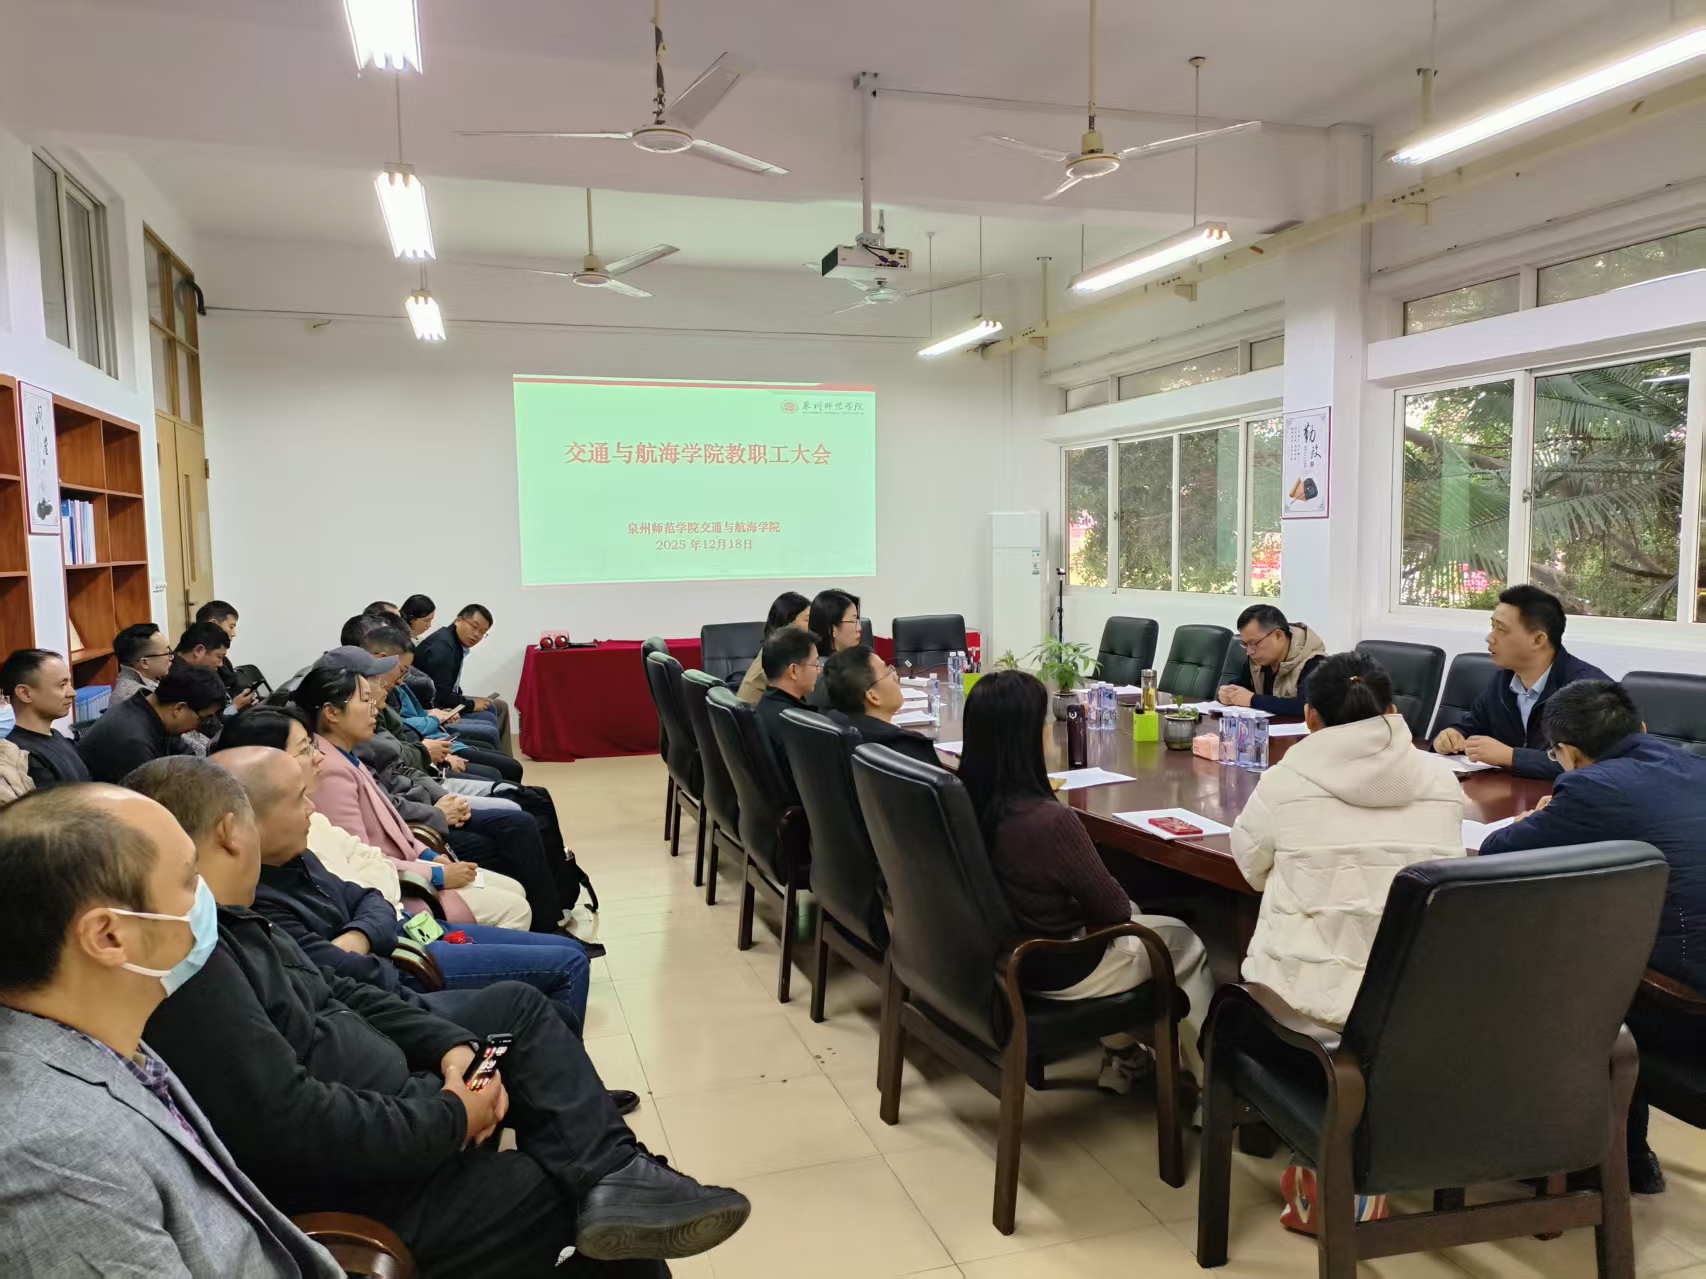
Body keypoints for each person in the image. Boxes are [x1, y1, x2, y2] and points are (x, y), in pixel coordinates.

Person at [134, 764, 751, 1275]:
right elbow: (295, 1123)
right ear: (230, 833)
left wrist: (453, 1047)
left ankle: (612, 1170)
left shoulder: (232, 924)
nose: (312, 808)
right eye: (183, 871)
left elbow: (344, 990)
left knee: (591, 1175)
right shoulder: (193, 971)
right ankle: (608, 1175)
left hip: (407, 1100)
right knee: (574, 1194)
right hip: (374, 1180)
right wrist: (453, 1114)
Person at [0, 783, 342, 1276]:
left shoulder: (102, 1037)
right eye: (188, 879)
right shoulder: (53, 1155)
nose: (205, 895)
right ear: (109, 936)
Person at [148, 747, 594, 1049]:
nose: (311, 806)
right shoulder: (252, 901)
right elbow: (342, 972)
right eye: (303, 750)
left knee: (562, 953)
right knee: (563, 967)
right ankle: (554, 1084)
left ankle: (557, 1075)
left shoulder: (295, 851)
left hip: (402, 937)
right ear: (237, 824)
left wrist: (360, 933)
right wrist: (374, 931)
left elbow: (368, 896)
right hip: (400, 972)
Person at [1479, 680, 1706, 1195]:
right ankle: (1630, 1157)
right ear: (1640, 727)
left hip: (1686, 1007)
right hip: (1690, 972)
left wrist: (1540, 819)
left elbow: (1497, 852)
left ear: (1570, 754)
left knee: (1543, 969)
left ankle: (1585, 1159)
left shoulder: (1592, 787)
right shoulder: (1693, 766)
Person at [957, 669, 1215, 1091]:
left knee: (1132, 916)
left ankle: (1123, 1058)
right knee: (1182, 940)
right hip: (1058, 965)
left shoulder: (962, 798)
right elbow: (1112, 909)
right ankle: (1211, 1088)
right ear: (1029, 737)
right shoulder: (1050, 820)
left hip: (1000, 955)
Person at [1231, 652, 1467, 1029]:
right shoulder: (1442, 780)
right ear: (1392, 711)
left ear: (1310, 717)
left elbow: (1251, 869)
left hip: (1299, 1013)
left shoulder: (1285, 781)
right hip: (1415, 1005)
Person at [289, 665, 534, 931]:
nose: (375, 709)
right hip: (400, 888)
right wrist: (437, 874)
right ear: (332, 712)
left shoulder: (345, 754)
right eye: (365, 700)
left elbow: (392, 824)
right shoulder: (329, 770)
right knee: (516, 908)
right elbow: (359, 861)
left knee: (517, 889)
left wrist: (429, 855)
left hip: (412, 863)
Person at [1432, 584, 1608, 778]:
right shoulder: (1503, 680)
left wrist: (1512, 757)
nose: (1489, 638)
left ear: (1538, 640)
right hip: (1511, 790)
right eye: (1492, 627)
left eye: (1501, 629)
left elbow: (1590, 764)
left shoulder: (1588, 691)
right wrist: (1451, 736)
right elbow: (1471, 725)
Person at [77, 663, 228, 784]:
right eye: (204, 719)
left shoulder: (156, 715)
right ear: (179, 709)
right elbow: (149, 800)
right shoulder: (133, 741)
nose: (202, 725)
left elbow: (188, 762)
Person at [822, 645, 940, 769]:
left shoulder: (834, 729)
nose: (896, 676)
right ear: (873, 697)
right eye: (888, 671)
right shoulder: (907, 749)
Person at [415, 604, 511, 755]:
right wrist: (471, 704)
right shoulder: (442, 648)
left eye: (482, 632)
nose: (476, 635)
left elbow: (449, 686)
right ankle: (498, 759)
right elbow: (441, 697)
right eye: (474, 627)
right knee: (489, 718)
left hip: (442, 702)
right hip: (433, 710)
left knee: (495, 706)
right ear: (458, 620)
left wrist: (470, 702)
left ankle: (502, 758)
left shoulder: (452, 642)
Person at [1216, 604, 1329, 717]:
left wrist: (1253, 699)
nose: (1249, 651)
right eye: (1245, 644)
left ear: (1278, 635)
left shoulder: (1316, 663)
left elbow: (1308, 707)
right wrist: (1228, 694)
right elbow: (1242, 686)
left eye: (1253, 643)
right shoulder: (1256, 660)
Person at [2, 648, 90, 789]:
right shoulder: (24, 756)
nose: (72, 693)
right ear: (25, 693)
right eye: (62, 685)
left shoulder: (55, 735)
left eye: (70, 683)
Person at [752, 625, 820, 803]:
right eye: (815, 664)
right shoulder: (796, 725)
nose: (818, 671)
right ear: (794, 671)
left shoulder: (764, 706)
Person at [736, 590, 810, 705]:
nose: (812, 625)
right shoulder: (777, 658)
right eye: (807, 620)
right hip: (756, 714)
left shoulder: (773, 650)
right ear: (788, 622)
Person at [195, 600, 259, 712]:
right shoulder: (195, 669)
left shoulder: (224, 662)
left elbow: (235, 689)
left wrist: (246, 699)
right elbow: (212, 718)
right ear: (214, 624)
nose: (233, 633)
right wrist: (235, 707)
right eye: (231, 627)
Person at [803, 590, 863, 709]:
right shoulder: (828, 674)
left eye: (858, 621)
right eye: (853, 621)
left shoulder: (835, 663)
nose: (859, 628)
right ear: (833, 629)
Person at [112, 622, 176, 707]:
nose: (171, 657)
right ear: (145, 663)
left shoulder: (152, 677)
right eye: (167, 653)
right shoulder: (137, 697)